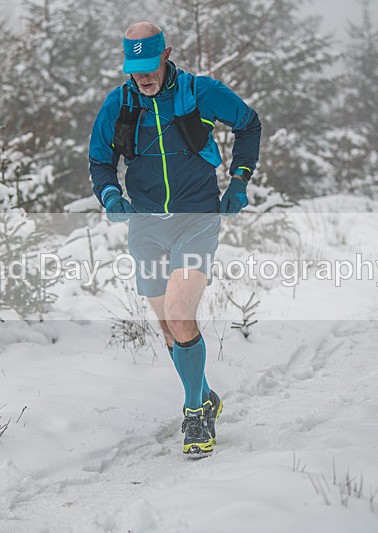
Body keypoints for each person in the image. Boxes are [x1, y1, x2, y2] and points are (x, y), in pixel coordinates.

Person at [88, 22, 261, 455]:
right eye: (134, 67)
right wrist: (110, 195)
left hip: (196, 218)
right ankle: (205, 395)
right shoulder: (119, 103)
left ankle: (195, 414)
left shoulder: (201, 91)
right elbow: (99, 161)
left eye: (150, 65)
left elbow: (250, 124)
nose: (143, 75)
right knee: (167, 325)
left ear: (166, 55)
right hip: (145, 225)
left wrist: (239, 180)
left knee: (182, 315)